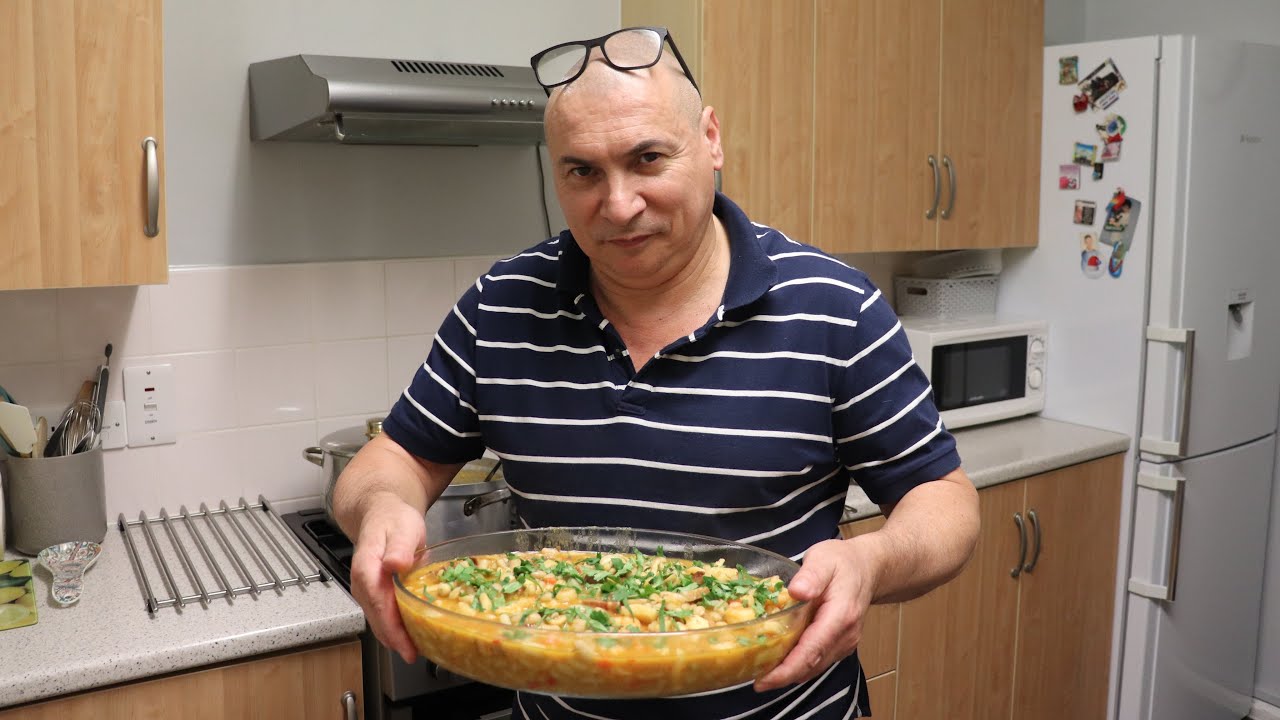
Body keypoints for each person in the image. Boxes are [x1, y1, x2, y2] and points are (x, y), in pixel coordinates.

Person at [333, 26, 980, 720]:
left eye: (647, 159)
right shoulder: (502, 303)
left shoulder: (835, 308)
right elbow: (395, 457)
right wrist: (384, 508)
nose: (617, 205)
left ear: (710, 139)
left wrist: (869, 564)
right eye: (582, 171)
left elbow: (945, 503)